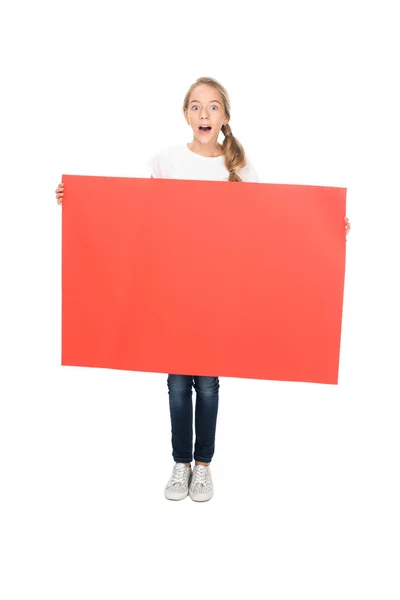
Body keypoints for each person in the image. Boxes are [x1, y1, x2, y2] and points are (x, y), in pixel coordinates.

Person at [55, 76, 351, 504]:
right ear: (185, 115)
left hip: (218, 293)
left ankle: (204, 466)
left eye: (213, 107)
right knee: (177, 381)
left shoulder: (239, 168)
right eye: (196, 107)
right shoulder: (167, 160)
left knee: (208, 383)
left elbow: (271, 224)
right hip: (172, 289)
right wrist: (79, 200)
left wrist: (328, 227)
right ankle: (180, 463)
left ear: (225, 116)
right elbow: (137, 216)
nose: (204, 114)